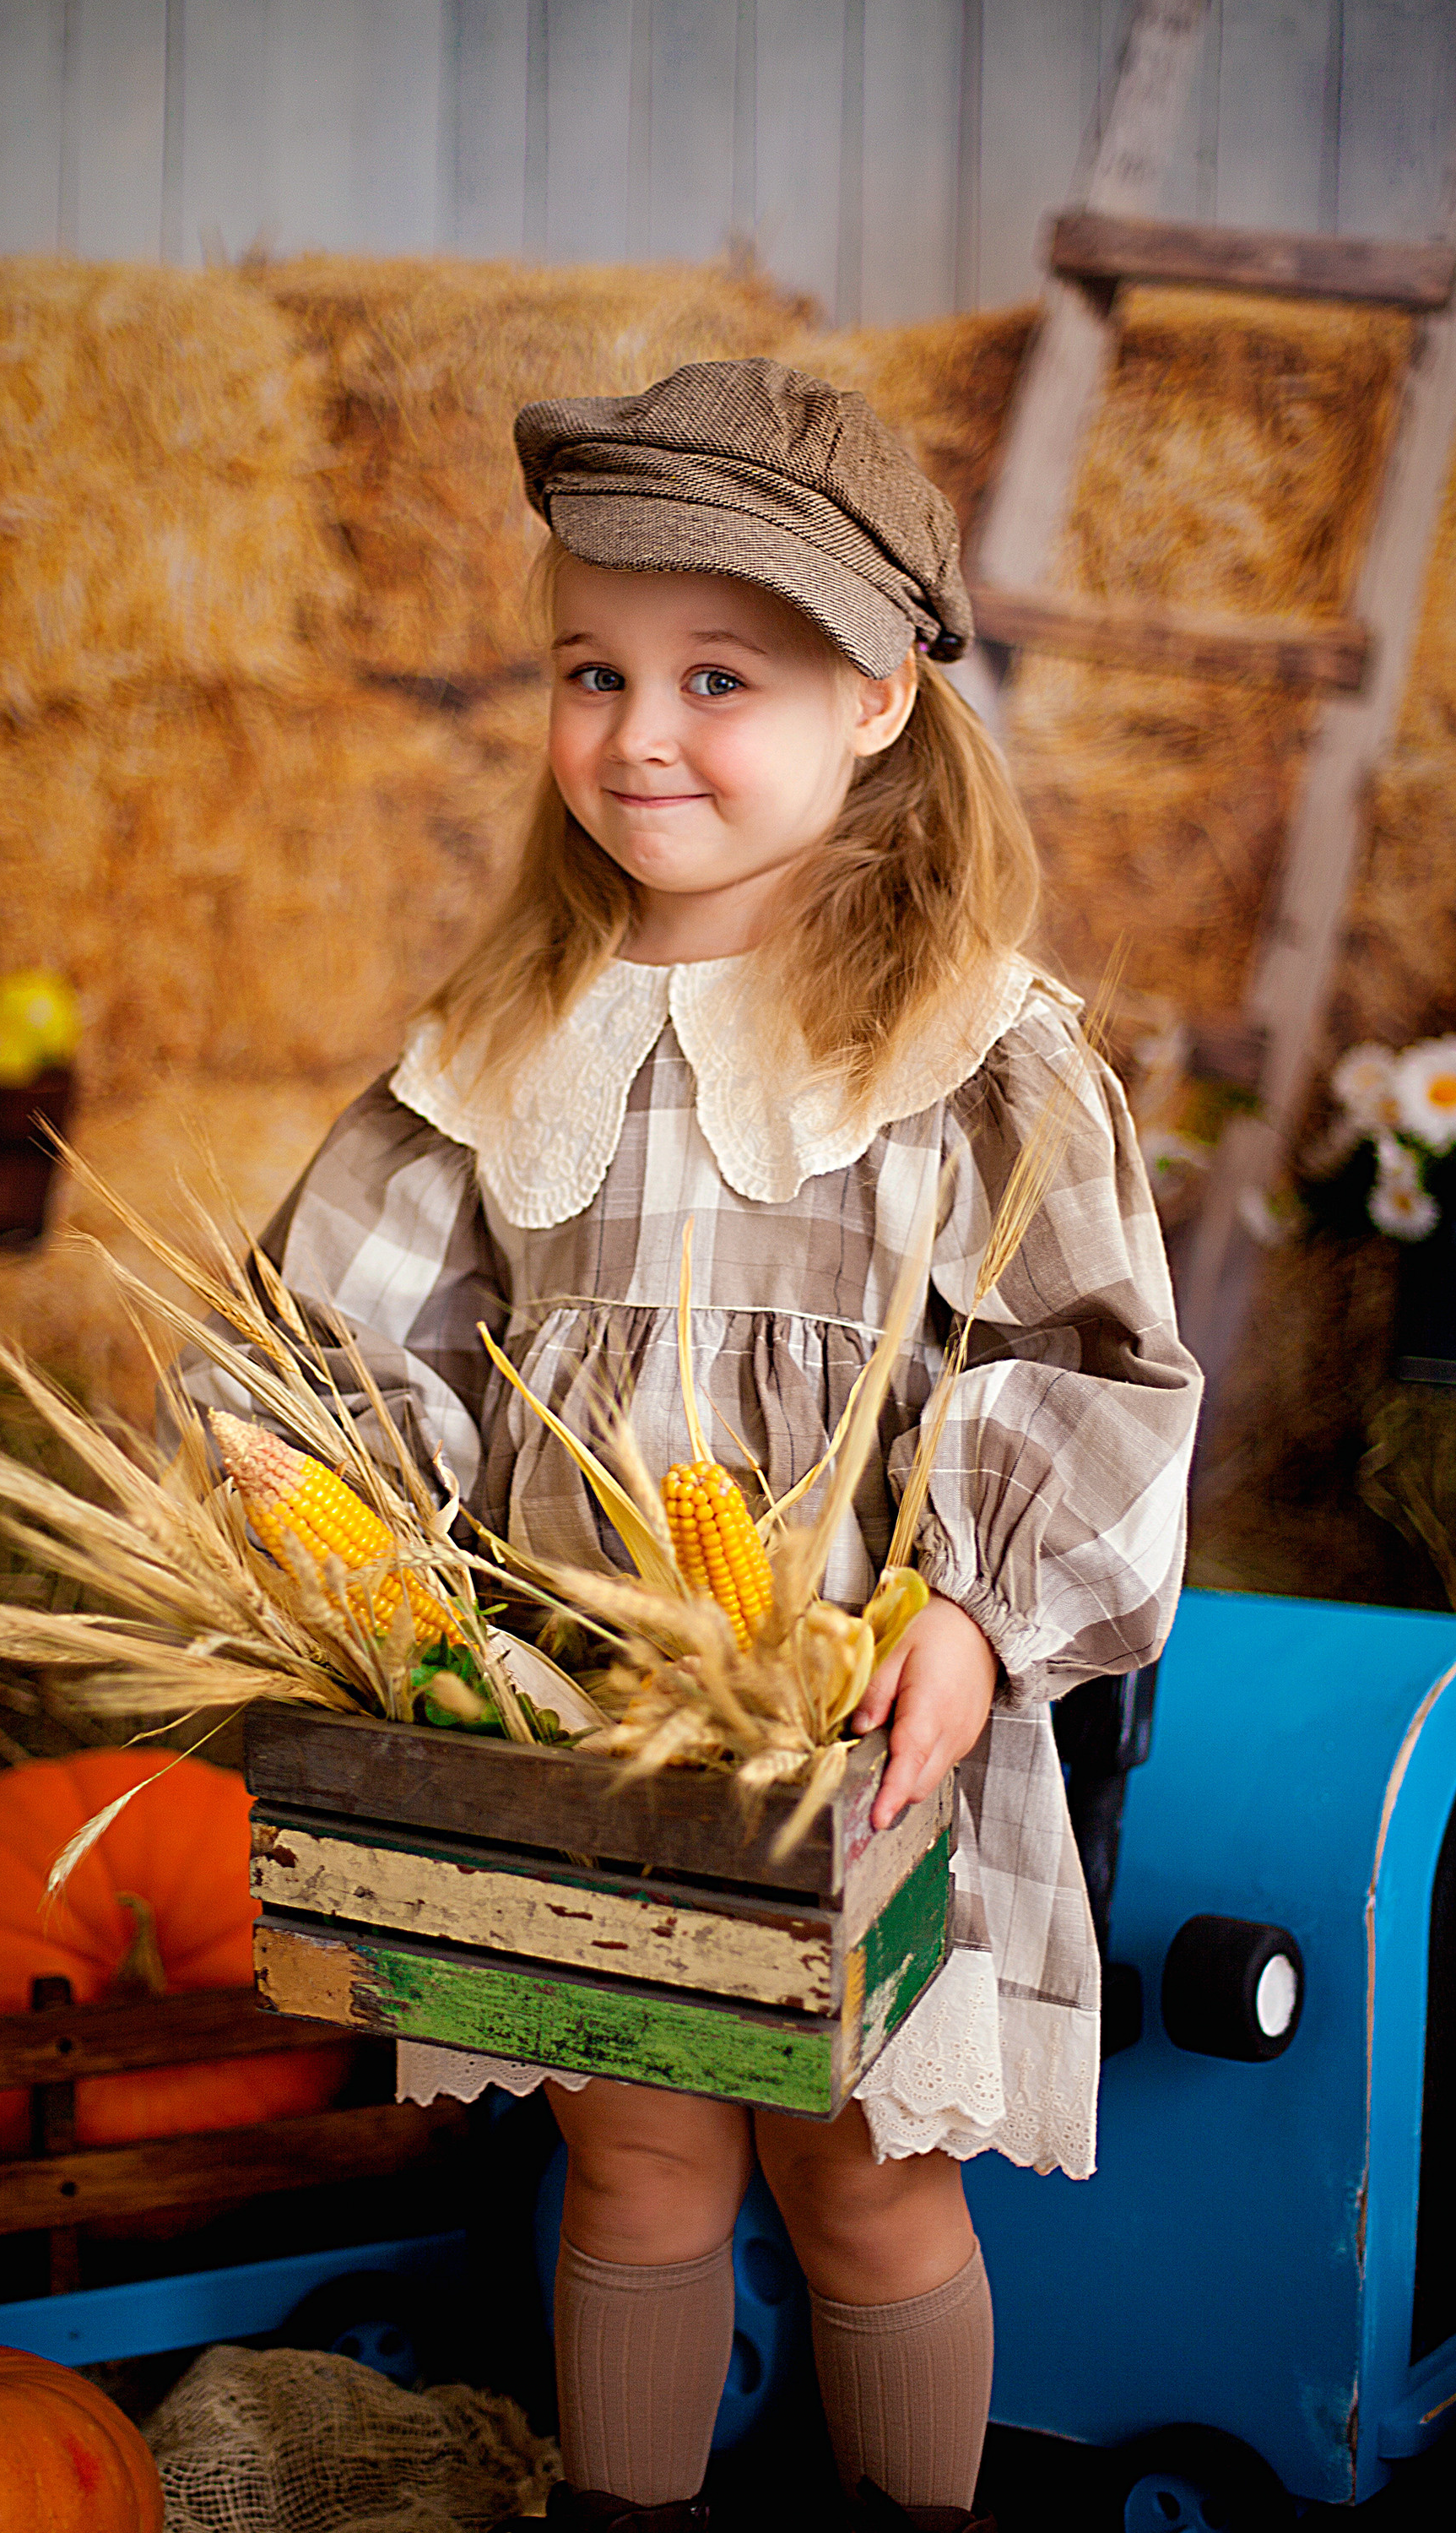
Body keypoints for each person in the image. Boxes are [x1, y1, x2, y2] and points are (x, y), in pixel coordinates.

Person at [241, 360, 1202, 2533]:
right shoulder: (499, 1039)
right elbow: (331, 1336)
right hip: (588, 1719)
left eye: (716, 678)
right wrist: (309, 1506)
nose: (637, 734)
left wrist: (968, 1615)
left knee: (859, 2178)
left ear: (875, 695)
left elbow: (1089, 1368)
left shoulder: (972, 1042)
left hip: (866, 1717)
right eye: (592, 669)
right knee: (635, 2145)